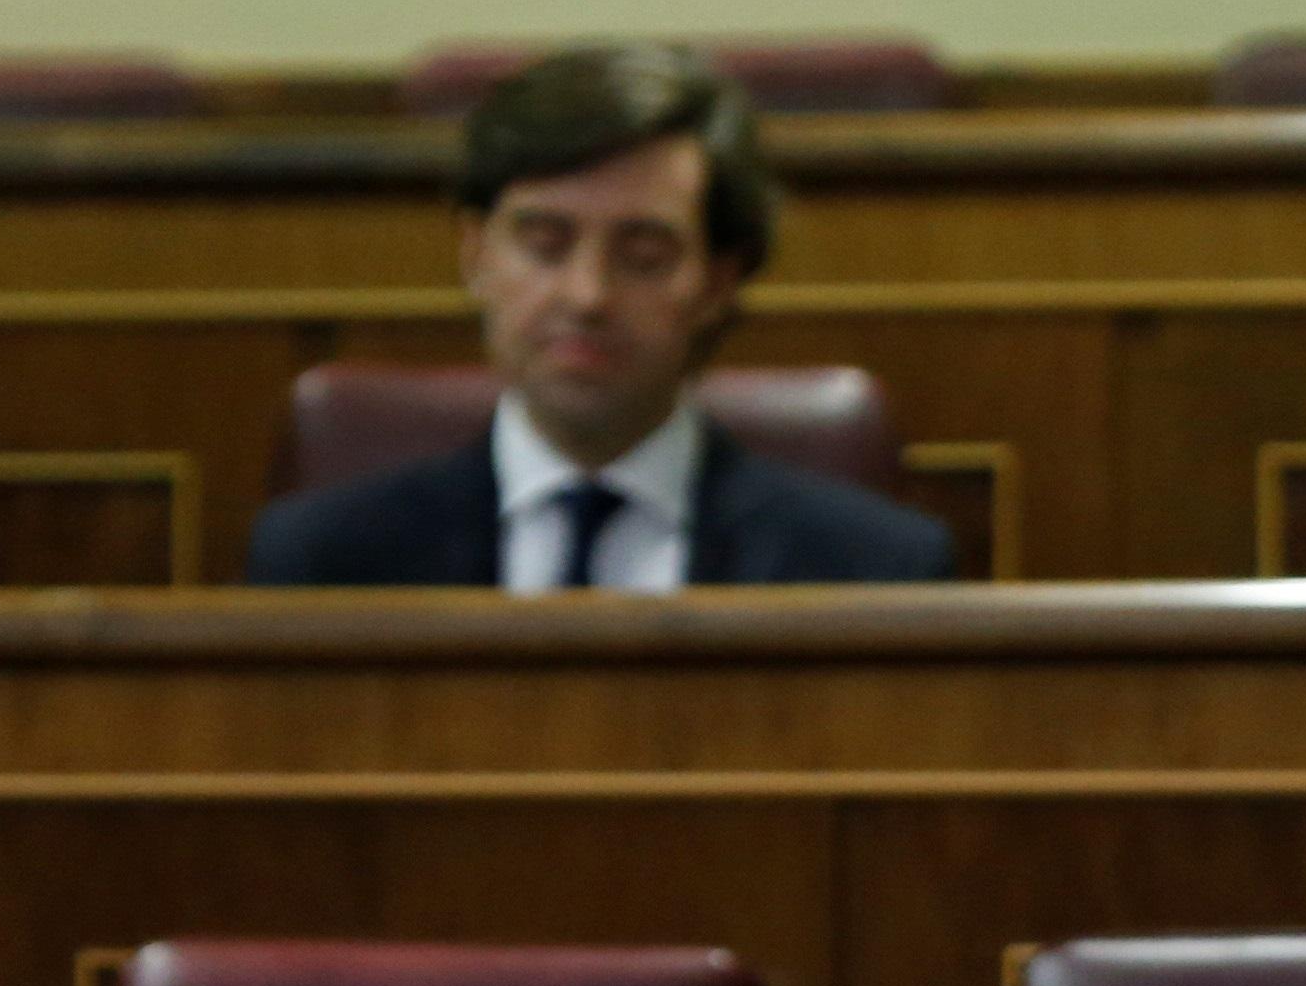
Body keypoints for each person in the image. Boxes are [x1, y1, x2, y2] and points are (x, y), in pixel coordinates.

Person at [243, 41, 959, 590]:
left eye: (643, 255)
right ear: (475, 255)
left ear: (716, 281)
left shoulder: (869, 568)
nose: (586, 296)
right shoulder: (323, 561)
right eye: (545, 246)